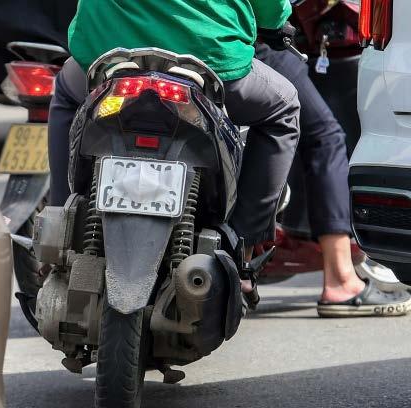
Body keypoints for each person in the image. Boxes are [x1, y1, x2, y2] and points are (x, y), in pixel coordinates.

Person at [51, 0, 302, 269]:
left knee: (65, 94)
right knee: (284, 109)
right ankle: (241, 249)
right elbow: (270, 9)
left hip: (109, 56)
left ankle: (59, 230)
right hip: (210, 59)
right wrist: (278, 24)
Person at [254, 43, 411, 317]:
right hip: (244, 48)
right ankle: (340, 280)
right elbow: (270, 18)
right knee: (324, 137)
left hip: (181, 49)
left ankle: (243, 267)